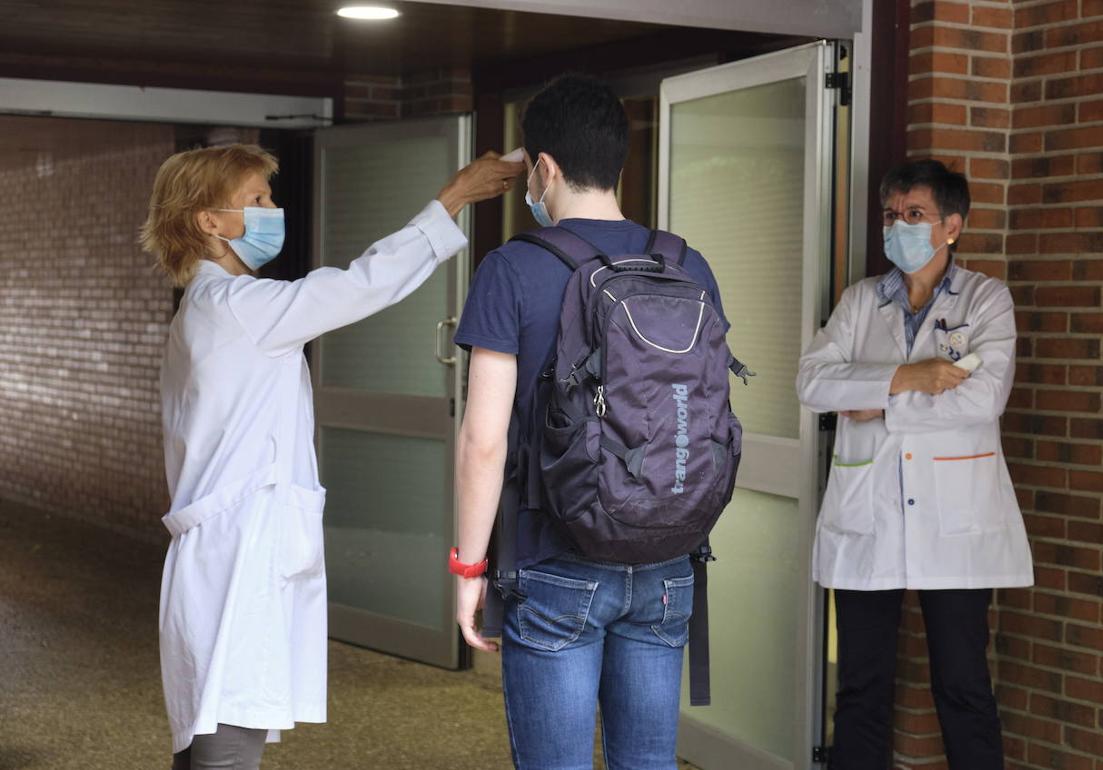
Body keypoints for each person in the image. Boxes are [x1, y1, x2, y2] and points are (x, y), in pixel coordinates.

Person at [141, 143, 522, 770]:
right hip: (238, 557)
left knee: (211, 736)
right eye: (255, 200)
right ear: (209, 221)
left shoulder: (206, 310)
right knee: (227, 745)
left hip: (222, 553)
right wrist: (453, 197)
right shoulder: (240, 309)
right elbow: (360, 285)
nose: (273, 209)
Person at [450, 74, 731, 770]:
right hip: (669, 555)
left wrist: (468, 567)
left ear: (542, 168)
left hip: (555, 558)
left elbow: (483, 440)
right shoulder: (685, 262)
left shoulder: (512, 267)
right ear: (619, 162)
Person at [795, 159, 1033, 770]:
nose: (898, 226)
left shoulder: (986, 300)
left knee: (963, 687)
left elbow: (983, 399)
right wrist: (910, 378)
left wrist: (879, 402)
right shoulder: (858, 302)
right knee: (860, 689)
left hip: (954, 522)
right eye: (891, 215)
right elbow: (814, 383)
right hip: (869, 513)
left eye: (914, 215)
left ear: (951, 226)